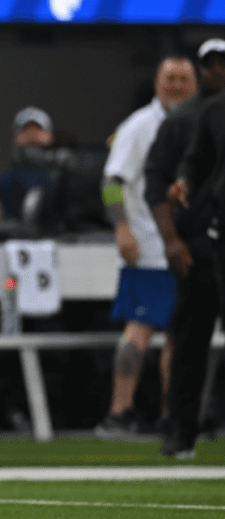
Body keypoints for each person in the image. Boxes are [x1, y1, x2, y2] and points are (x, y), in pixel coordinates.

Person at [95, 56, 197, 439]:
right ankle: (118, 413)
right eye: (169, 78)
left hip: (188, 247)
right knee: (139, 329)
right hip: (150, 247)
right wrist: (122, 227)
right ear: (157, 83)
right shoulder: (140, 126)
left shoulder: (199, 121)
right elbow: (111, 181)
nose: (176, 84)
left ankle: (175, 416)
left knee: (181, 335)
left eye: (184, 78)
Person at [148, 40, 225, 457]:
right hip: (197, 243)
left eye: (222, 63)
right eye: (209, 63)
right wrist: (171, 240)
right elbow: (135, 183)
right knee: (189, 340)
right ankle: (181, 430)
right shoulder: (180, 120)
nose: (216, 70)